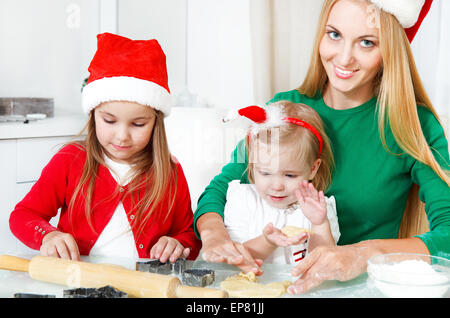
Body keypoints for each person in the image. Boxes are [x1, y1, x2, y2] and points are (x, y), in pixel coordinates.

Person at [194, 0, 449, 295]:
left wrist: (362, 254)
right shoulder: (284, 110)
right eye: (334, 34)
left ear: (391, 49)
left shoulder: (415, 124)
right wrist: (213, 236)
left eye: (367, 42)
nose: (343, 58)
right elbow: (219, 189)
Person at [9, 33, 201, 263]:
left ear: (156, 123)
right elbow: (23, 216)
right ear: (93, 116)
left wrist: (177, 244)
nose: (122, 136)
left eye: (138, 124)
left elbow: (189, 235)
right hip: (78, 283)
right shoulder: (70, 160)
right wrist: (48, 236)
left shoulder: (170, 171)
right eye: (109, 121)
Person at [222, 102, 340, 268]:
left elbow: (324, 264)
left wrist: (319, 225)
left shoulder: (320, 209)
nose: (277, 186)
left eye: (290, 175)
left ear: (313, 169)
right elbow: (234, 258)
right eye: (265, 173)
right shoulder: (243, 200)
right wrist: (267, 242)